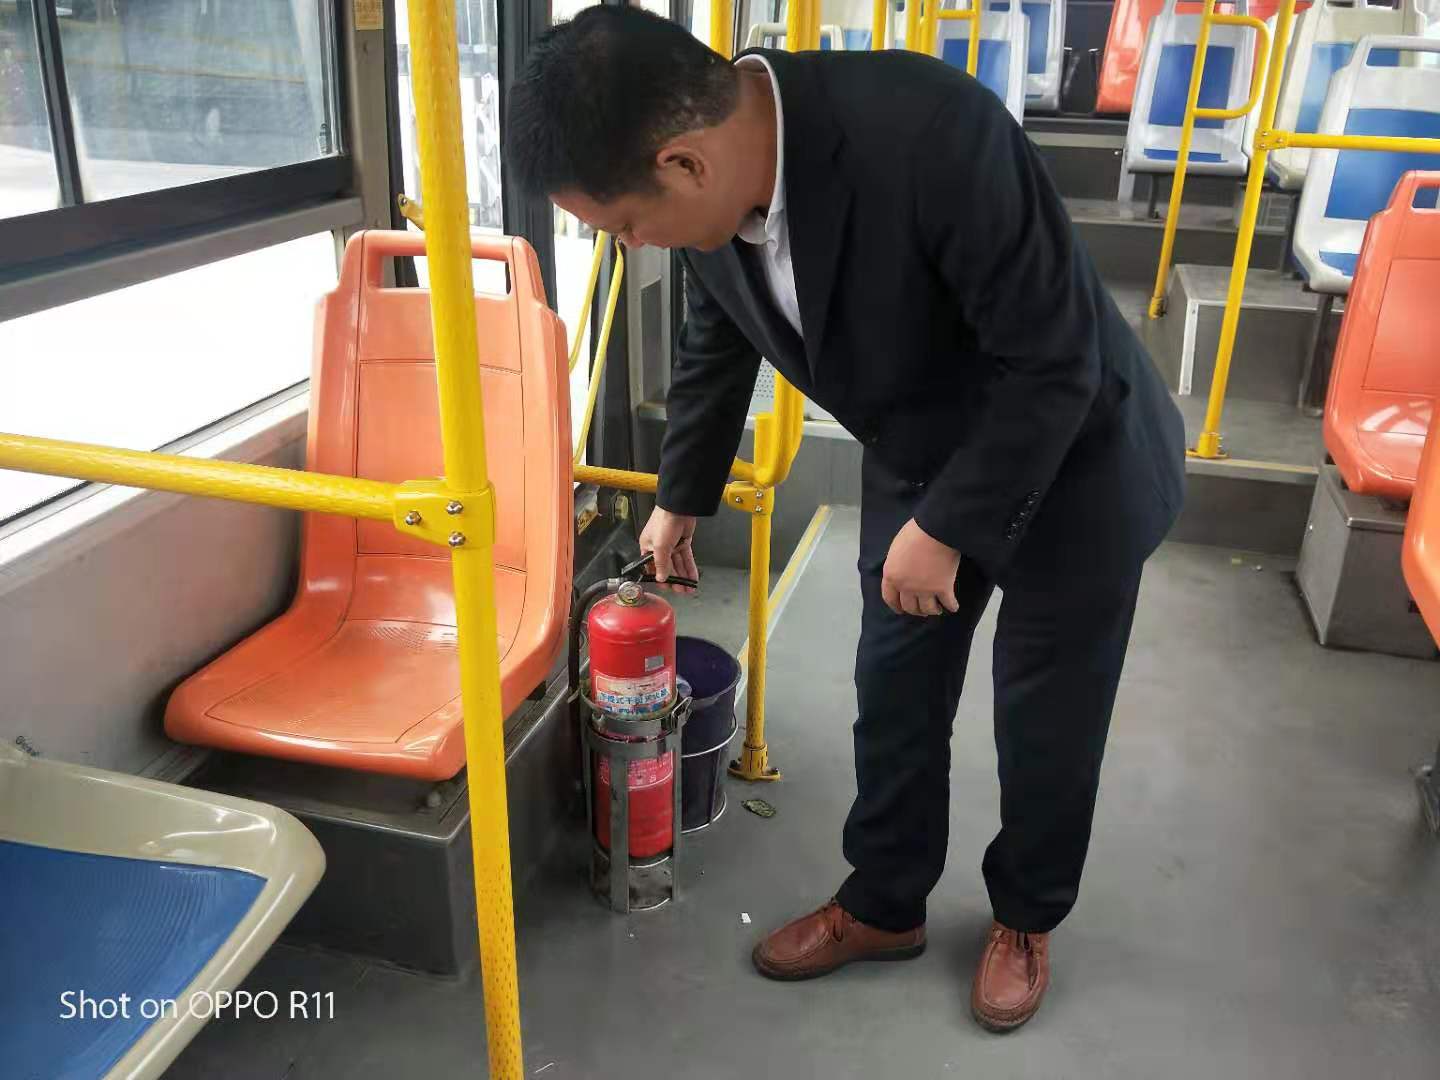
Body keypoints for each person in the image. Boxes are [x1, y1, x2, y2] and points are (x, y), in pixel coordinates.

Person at [507, 6, 1185, 1032]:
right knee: (895, 690)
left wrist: (947, 527)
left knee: (1047, 716)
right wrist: (681, 495)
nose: (631, 244)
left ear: (684, 163)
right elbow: (718, 333)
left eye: (624, 226)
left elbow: (1055, 359)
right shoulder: (710, 203)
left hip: (1075, 454)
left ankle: (1025, 916)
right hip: (921, 445)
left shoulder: (931, 131)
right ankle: (884, 903)